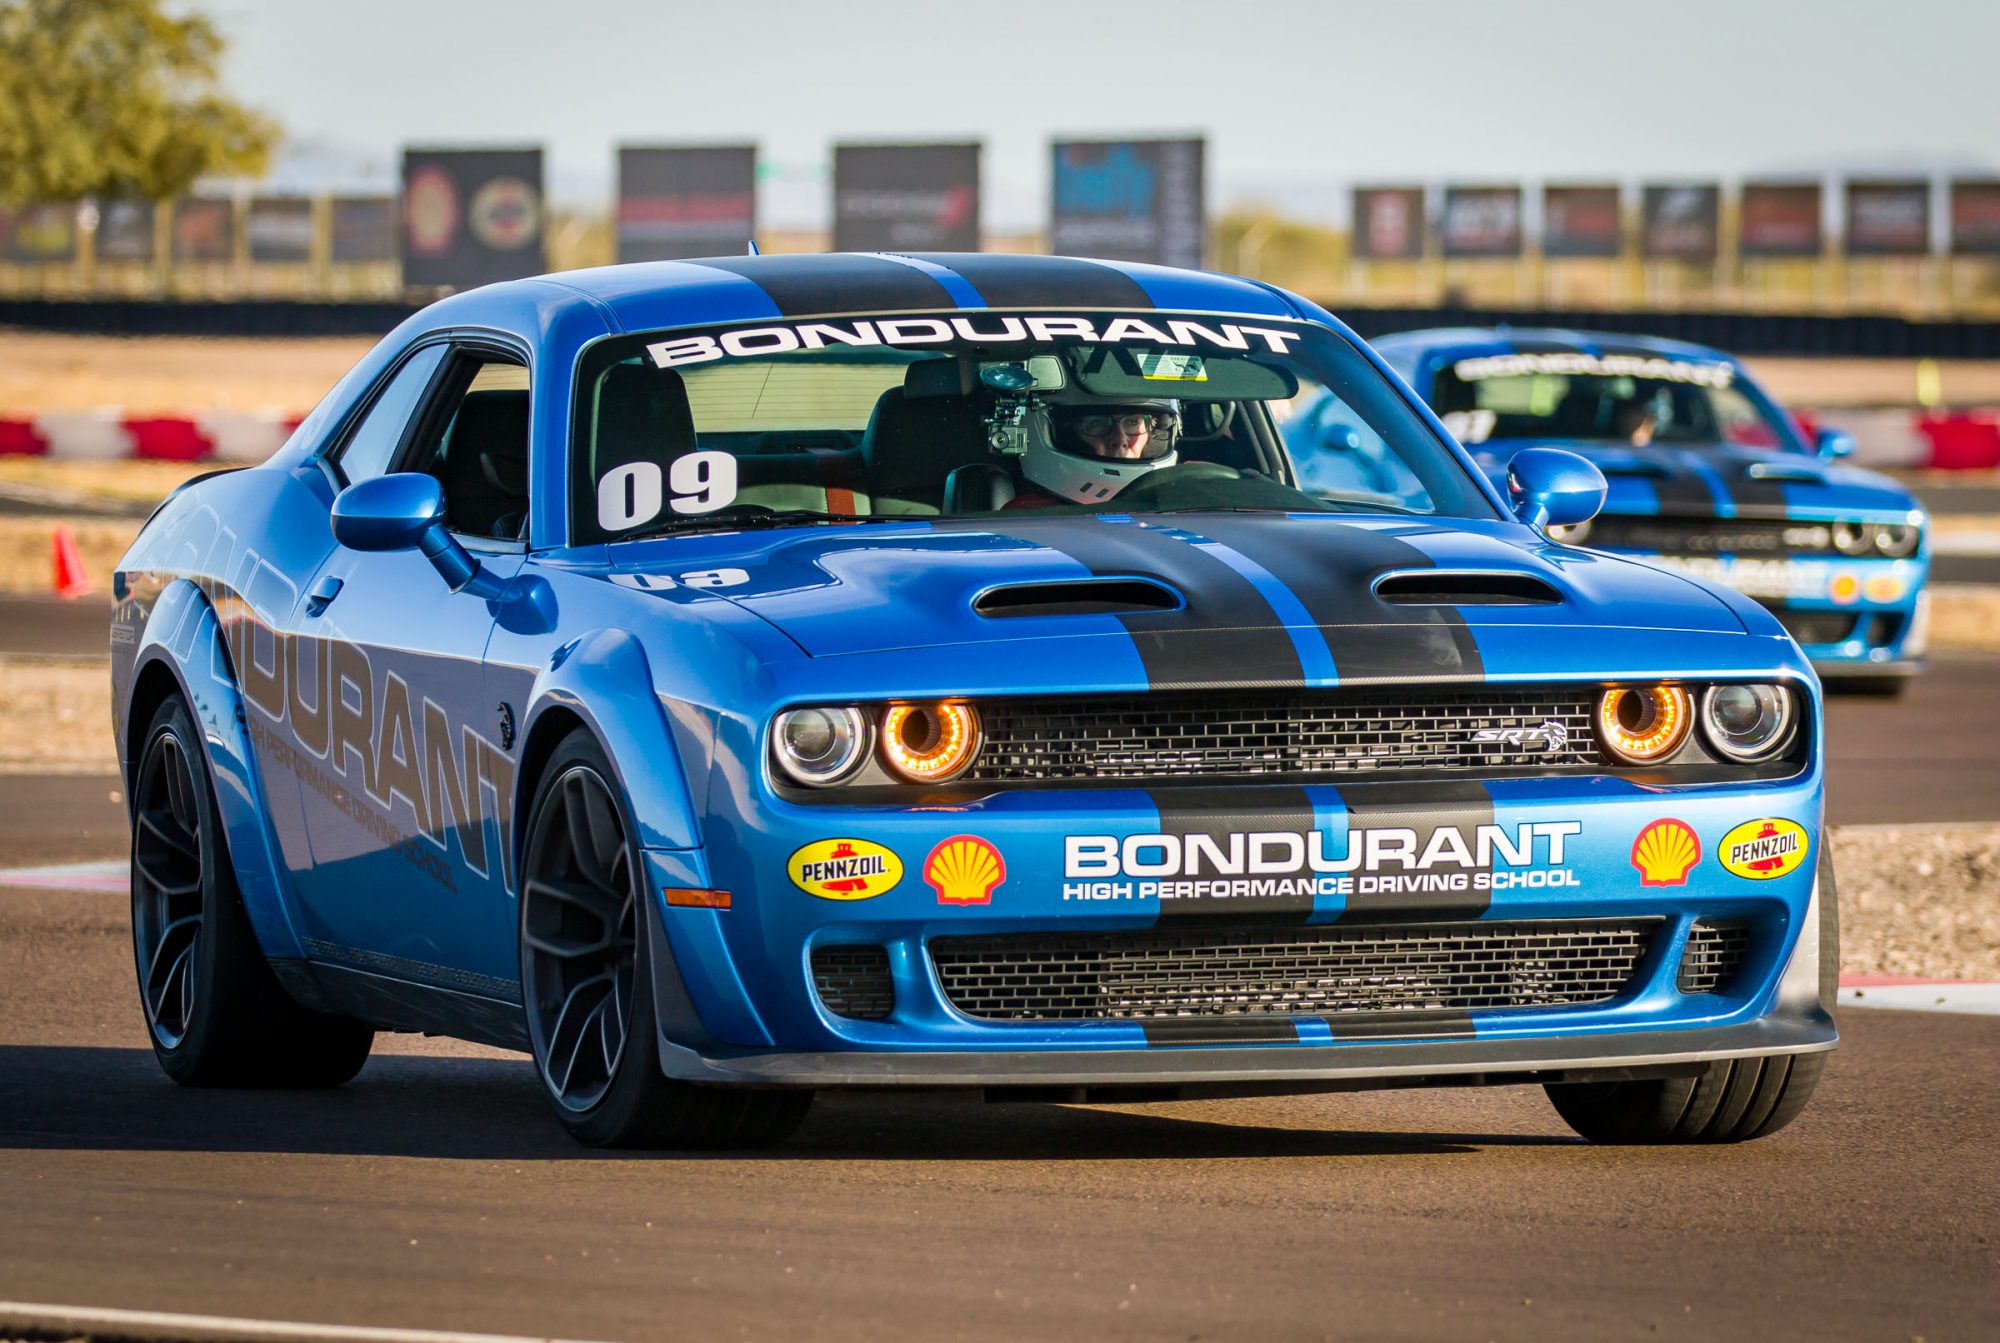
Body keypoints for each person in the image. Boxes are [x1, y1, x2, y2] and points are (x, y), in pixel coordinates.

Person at [1005, 398, 1182, 508]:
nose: (1120, 440)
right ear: (1069, 435)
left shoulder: (1188, 496)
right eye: (1097, 423)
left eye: (1132, 422)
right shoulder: (1031, 516)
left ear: (1154, 431)